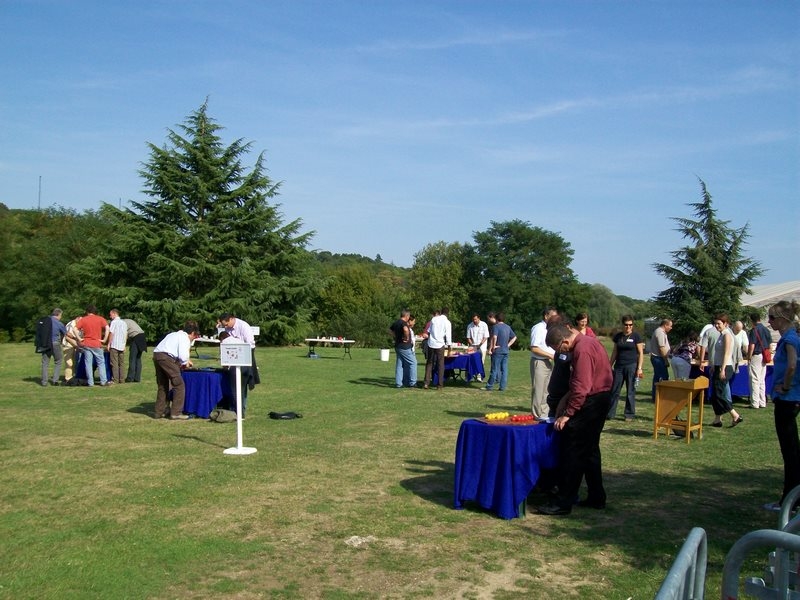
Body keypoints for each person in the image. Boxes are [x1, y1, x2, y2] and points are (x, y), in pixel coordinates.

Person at [536, 324, 613, 516]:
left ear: (564, 341)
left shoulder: (581, 349)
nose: (561, 353)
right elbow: (582, 381)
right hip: (600, 398)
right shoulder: (590, 343)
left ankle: (563, 502)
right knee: (590, 450)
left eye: (558, 349)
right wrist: (564, 399)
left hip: (591, 403)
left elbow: (582, 386)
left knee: (573, 451)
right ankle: (597, 497)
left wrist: (567, 414)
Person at [765, 301, 800, 510]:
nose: (769, 322)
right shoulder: (792, 337)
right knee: (793, 450)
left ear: (782, 319)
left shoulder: (789, 339)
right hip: (792, 398)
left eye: (771, 318)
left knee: (790, 451)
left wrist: (785, 387)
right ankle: (794, 498)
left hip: (788, 399)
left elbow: (792, 365)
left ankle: (789, 501)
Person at [152, 321, 200, 419]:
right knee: (179, 384)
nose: (193, 339)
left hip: (157, 355)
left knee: (163, 385)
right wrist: (186, 362)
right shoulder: (184, 338)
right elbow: (183, 356)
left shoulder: (174, 334)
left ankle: (159, 412)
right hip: (166, 357)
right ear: (192, 333)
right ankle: (176, 413)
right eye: (194, 337)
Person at [219, 313, 258, 416]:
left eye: (226, 324)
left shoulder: (244, 326)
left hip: (245, 356)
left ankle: (240, 411)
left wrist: (238, 349)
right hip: (232, 360)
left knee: (241, 387)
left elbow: (250, 343)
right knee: (236, 387)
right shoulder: (227, 329)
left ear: (232, 319)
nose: (225, 327)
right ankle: (237, 410)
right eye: (224, 325)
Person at [709, 313, 744, 428]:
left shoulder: (727, 335)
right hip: (719, 365)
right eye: (715, 323)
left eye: (719, 323)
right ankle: (717, 419)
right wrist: (714, 364)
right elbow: (718, 353)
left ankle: (735, 415)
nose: (716, 326)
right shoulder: (721, 334)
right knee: (715, 394)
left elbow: (727, 353)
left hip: (726, 366)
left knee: (719, 394)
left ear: (725, 323)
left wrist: (722, 369)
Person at [607, 316, 644, 421]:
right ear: (622, 325)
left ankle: (629, 414)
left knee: (630, 391)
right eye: (626, 325)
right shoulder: (618, 336)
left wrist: (639, 368)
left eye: (630, 325)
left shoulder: (636, 336)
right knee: (615, 390)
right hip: (619, 366)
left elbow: (640, 353)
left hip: (631, 366)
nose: (628, 327)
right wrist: (609, 365)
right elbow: (615, 352)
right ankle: (610, 413)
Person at [530, 307, 559, 418]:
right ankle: (537, 415)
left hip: (548, 362)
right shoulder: (538, 328)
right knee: (538, 389)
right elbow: (534, 348)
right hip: (539, 361)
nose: (555, 319)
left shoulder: (550, 329)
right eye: (553, 316)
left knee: (547, 389)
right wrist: (550, 355)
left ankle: (545, 414)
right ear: (546, 316)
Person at [75, 305, 110, 387]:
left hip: (87, 343)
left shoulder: (83, 319)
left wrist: (79, 339)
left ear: (87, 312)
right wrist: (104, 339)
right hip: (97, 343)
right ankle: (103, 381)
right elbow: (107, 328)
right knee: (101, 362)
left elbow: (75, 329)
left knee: (88, 363)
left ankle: (90, 382)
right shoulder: (100, 318)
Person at [483, 312, 516, 392]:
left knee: (494, 369)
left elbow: (494, 337)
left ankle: (489, 386)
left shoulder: (496, 327)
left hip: (497, 351)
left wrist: (493, 347)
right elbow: (514, 337)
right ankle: (502, 387)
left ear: (497, 319)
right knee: (504, 370)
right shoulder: (508, 327)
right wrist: (508, 345)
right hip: (505, 351)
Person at [37, 308, 68, 386]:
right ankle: (55, 380)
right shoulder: (58, 323)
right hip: (55, 343)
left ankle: (44, 382)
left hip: (45, 343)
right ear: (58, 314)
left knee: (45, 363)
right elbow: (66, 333)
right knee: (58, 360)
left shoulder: (45, 321)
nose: (61, 317)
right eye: (61, 315)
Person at [747, 312, 772, 409]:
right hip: (765, 355)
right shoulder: (766, 329)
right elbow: (770, 344)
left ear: (751, 320)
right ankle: (762, 402)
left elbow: (752, 345)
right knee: (762, 380)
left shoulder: (754, 330)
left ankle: (755, 403)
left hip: (756, 355)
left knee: (754, 379)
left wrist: (749, 357)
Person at [423, 308, 452, 390]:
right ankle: (439, 385)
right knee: (440, 364)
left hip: (431, 343)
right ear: (447, 314)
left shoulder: (434, 319)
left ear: (441, 312)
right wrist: (449, 348)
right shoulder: (447, 322)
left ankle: (426, 383)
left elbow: (429, 331)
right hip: (440, 344)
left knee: (429, 363)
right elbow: (448, 336)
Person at [389, 309, 416, 388]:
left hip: (397, 346)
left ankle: (399, 383)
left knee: (399, 364)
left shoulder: (396, 322)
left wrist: (395, 336)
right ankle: (413, 382)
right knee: (413, 363)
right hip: (405, 347)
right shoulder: (404, 323)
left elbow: (389, 330)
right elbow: (405, 329)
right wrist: (406, 337)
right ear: (406, 316)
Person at [649, 318, 672, 399]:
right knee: (662, 377)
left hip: (658, 358)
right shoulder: (660, 333)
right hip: (658, 358)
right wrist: (666, 360)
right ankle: (660, 397)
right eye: (670, 326)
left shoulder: (660, 332)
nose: (671, 328)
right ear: (665, 325)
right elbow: (662, 348)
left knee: (657, 377)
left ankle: (656, 396)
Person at [466, 313, 490, 382]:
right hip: (472, 346)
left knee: (481, 361)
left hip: (482, 346)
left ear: (479, 318)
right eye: (473, 319)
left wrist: (480, 345)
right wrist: (472, 345)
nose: (474, 320)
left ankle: (479, 376)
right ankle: (470, 376)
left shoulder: (484, 325)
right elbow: (468, 337)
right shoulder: (470, 326)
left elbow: (485, 336)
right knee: (470, 361)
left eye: (475, 319)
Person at [107, 309, 128, 384]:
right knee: (121, 363)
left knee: (114, 363)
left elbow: (111, 333)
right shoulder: (124, 323)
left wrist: (109, 343)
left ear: (114, 314)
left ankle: (115, 379)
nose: (110, 316)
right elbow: (126, 334)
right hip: (121, 345)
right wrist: (124, 344)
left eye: (111, 314)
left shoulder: (114, 322)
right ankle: (122, 379)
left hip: (115, 344)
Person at [123, 316, 147, 383]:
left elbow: (125, 334)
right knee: (138, 358)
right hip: (142, 337)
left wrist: (123, 345)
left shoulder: (123, 323)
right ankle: (137, 378)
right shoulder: (129, 320)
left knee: (132, 358)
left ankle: (130, 378)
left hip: (136, 337)